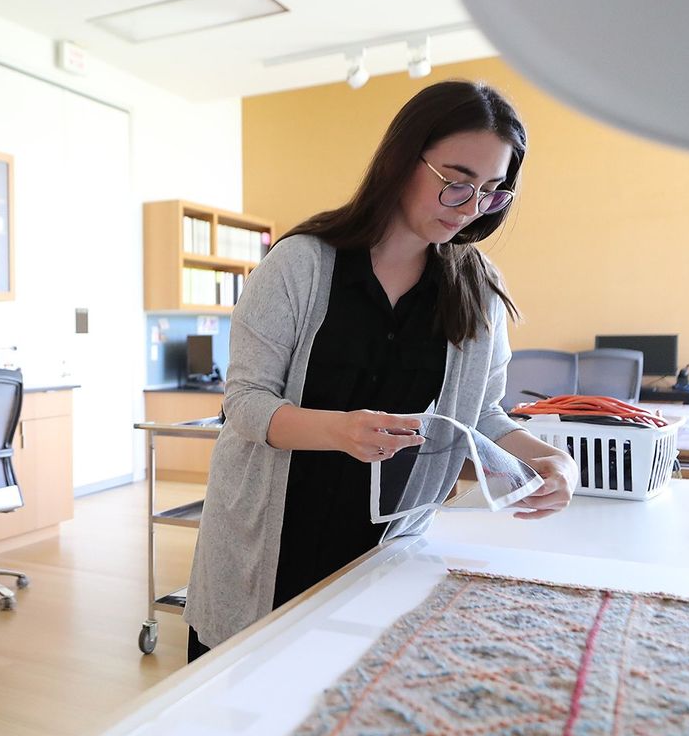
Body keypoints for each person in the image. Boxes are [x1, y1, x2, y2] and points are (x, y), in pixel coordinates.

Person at [183, 80, 579, 662]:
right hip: (272, 543)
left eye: (493, 192)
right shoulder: (302, 264)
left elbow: (483, 415)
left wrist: (548, 458)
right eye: (456, 183)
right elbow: (243, 404)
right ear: (401, 160)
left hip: (387, 550)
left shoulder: (478, 289)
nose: (471, 209)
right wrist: (338, 431)